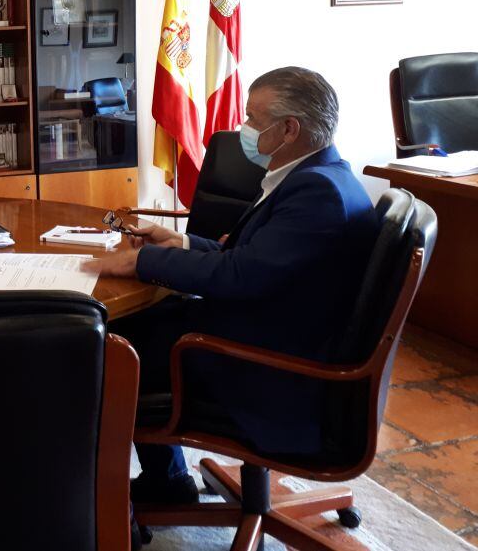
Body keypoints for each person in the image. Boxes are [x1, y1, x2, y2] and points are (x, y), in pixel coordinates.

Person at [91, 67, 379, 506]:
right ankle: (166, 481)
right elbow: (252, 259)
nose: (243, 128)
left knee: (110, 349)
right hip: (271, 331)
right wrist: (180, 240)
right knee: (142, 323)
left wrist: (142, 261)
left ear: (288, 129)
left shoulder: (316, 195)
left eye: (251, 117)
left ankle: (120, 497)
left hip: (271, 369)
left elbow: (238, 276)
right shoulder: (321, 176)